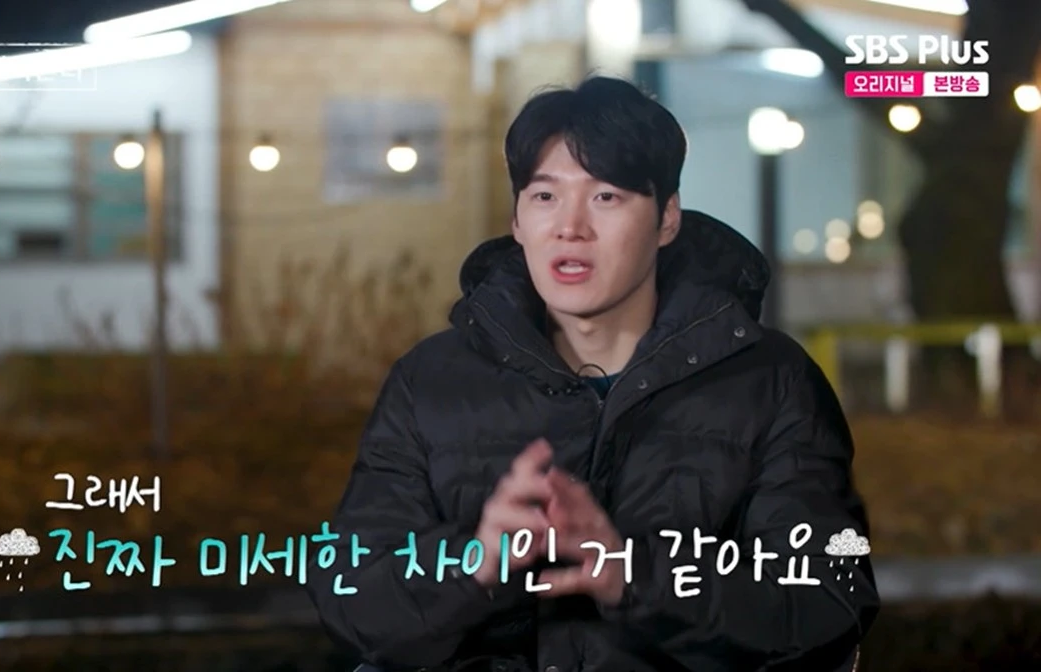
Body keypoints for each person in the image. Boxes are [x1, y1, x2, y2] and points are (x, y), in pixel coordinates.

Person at [305, 75, 879, 672]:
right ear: (517, 220)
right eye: (545, 196)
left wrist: (633, 576)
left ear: (667, 219)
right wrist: (476, 562)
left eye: (606, 196)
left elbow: (830, 600)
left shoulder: (771, 381)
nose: (570, 226)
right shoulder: (430, 382)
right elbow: (351, 597)